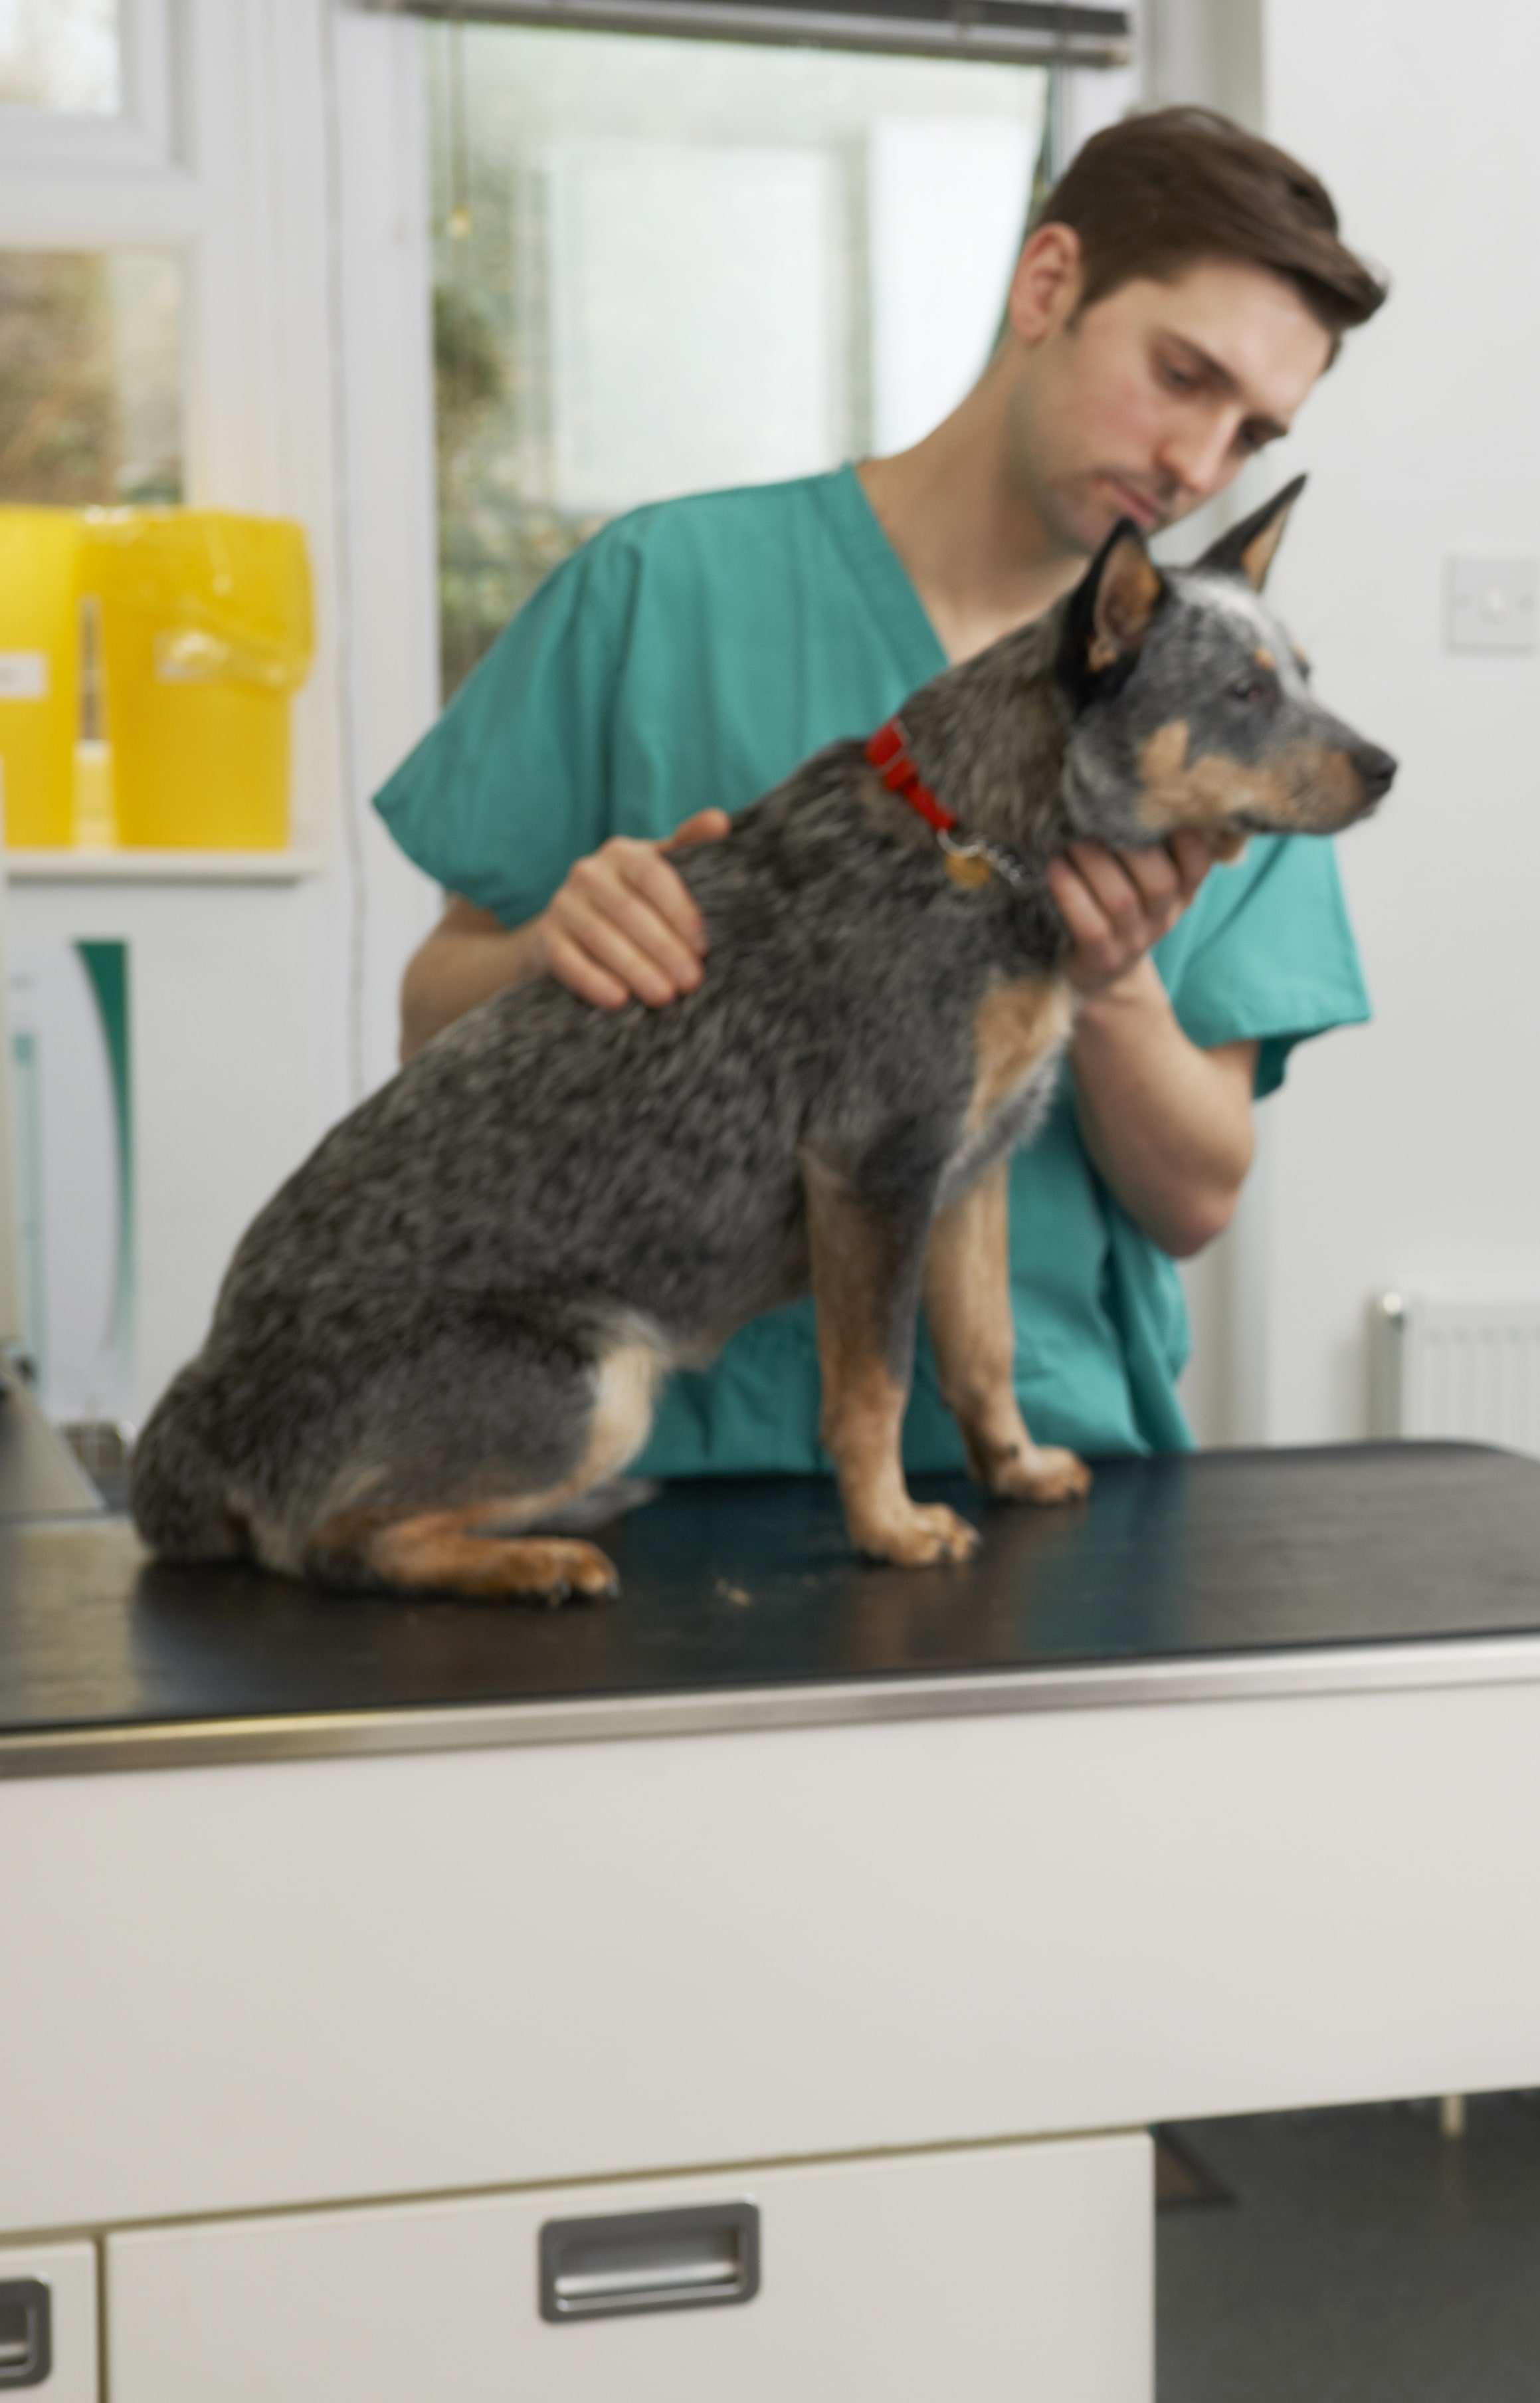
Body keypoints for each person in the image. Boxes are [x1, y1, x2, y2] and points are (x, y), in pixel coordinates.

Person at [385, 106, 1384, 1475]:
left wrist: (1111, 979)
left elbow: (1197, 1195)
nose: (1197, 467)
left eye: (1252, 435)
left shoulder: (1220, 718)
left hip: (1053, 1462)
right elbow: (426, 1024)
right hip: (652, 1460)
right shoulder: (657, 594)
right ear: (1048, 286)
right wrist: (552, 951)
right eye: (1179, 375)